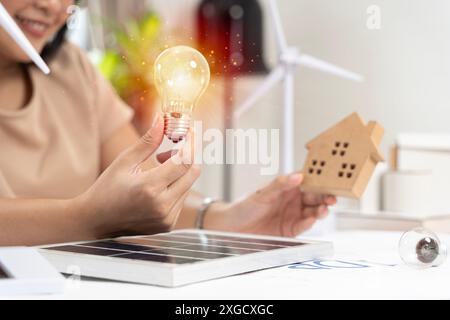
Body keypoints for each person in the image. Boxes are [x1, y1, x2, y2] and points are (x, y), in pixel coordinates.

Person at [0, 0, 336, 246]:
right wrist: (88, 218)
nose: (50, 5)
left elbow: (142, 193)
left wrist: (228, 219)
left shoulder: (74, 70)